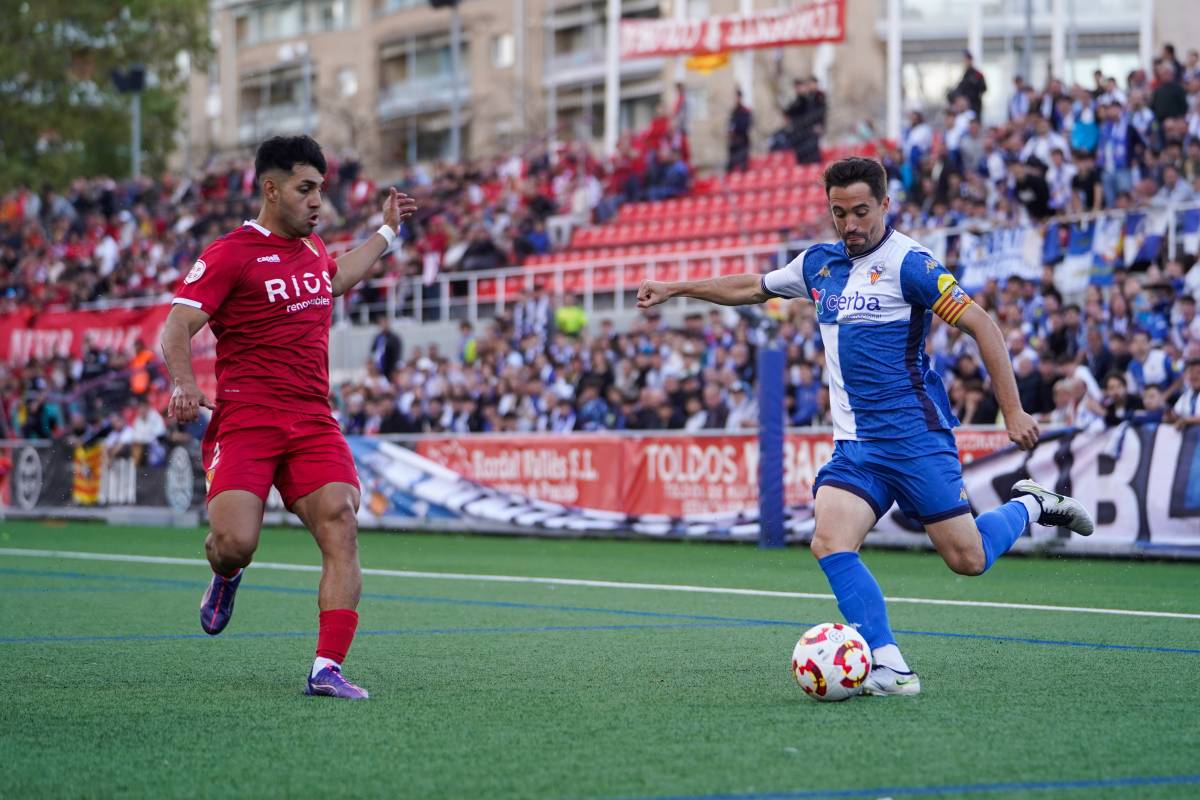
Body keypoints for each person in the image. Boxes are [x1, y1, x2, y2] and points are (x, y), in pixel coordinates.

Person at [635, 157, 1094, 697]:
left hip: (916, 440)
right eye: (838, 213)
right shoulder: (818, 266)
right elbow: (752, 287)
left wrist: (1012, 410)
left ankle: (1031, 504)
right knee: (829, 541)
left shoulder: (912, 265)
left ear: (883, 205)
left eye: (859, 212)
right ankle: (890, 663)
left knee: (967, 559)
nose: (849, 224)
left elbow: (982, 326)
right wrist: (676, 288)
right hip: (856, 447)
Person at [161, 135, 418, 700]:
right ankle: (225, 575)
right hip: (247, 420)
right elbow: (176, 326)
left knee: (341, 520)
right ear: (271, 190)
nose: (316, 201)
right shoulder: (230, 252)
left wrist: (386, 231)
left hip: (310, 420)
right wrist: (184, 383)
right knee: (234, 542)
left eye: (320, 190)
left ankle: (326, 667)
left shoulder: (311, 252)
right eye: (306, 189)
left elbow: (336, 277)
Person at [727, 89, 753, 173]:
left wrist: (736, 129)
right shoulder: (733, 112)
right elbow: (730, 126)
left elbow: (746, 125)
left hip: (742, 140)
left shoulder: (745, 111)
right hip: (734, 142)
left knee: (742, 165)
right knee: (731, 166)